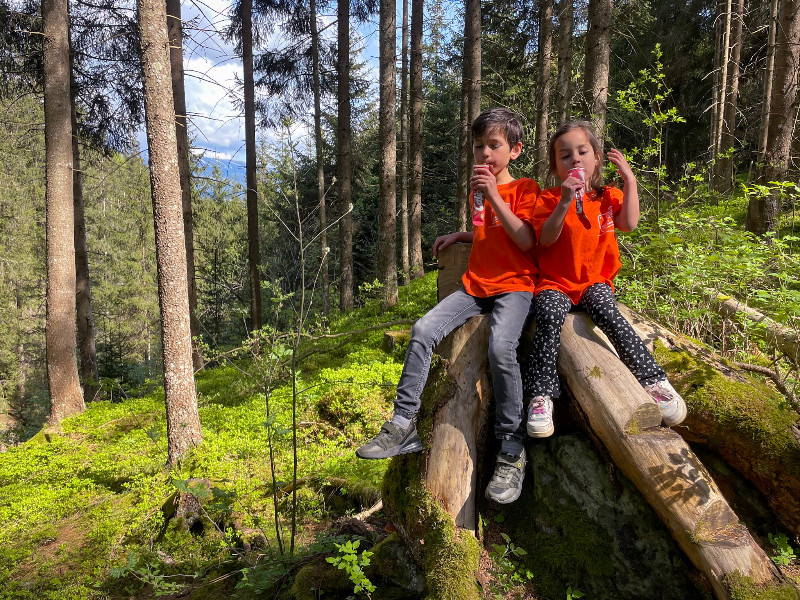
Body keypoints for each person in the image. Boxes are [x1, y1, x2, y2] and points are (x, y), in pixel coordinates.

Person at [356, 107, 540, 505]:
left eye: (494, 146)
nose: (485, 154)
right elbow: (488, 234)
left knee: (500, 349)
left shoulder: (526, 190)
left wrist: (493, 193)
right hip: (476, 286)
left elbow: (525, 240)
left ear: (515, 150)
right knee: (423, 331)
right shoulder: (477, 190)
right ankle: (403, 425)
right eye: (479, 147)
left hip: (515, 287)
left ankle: (511, 449)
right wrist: (461, 234)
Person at [523, 120, 687, 438]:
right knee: (547, 314)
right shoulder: (547, 198)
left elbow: (629, 224)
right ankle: (541, 398)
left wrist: (630, 180)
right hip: (555, 282)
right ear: (555, 166)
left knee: (609, 312)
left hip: (594, 280)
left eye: (582, 151)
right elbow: (545, 239)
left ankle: (654, 381)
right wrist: (566, 201)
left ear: (596, 157)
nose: (575, 159)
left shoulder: (607, 196)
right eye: (565, 155)